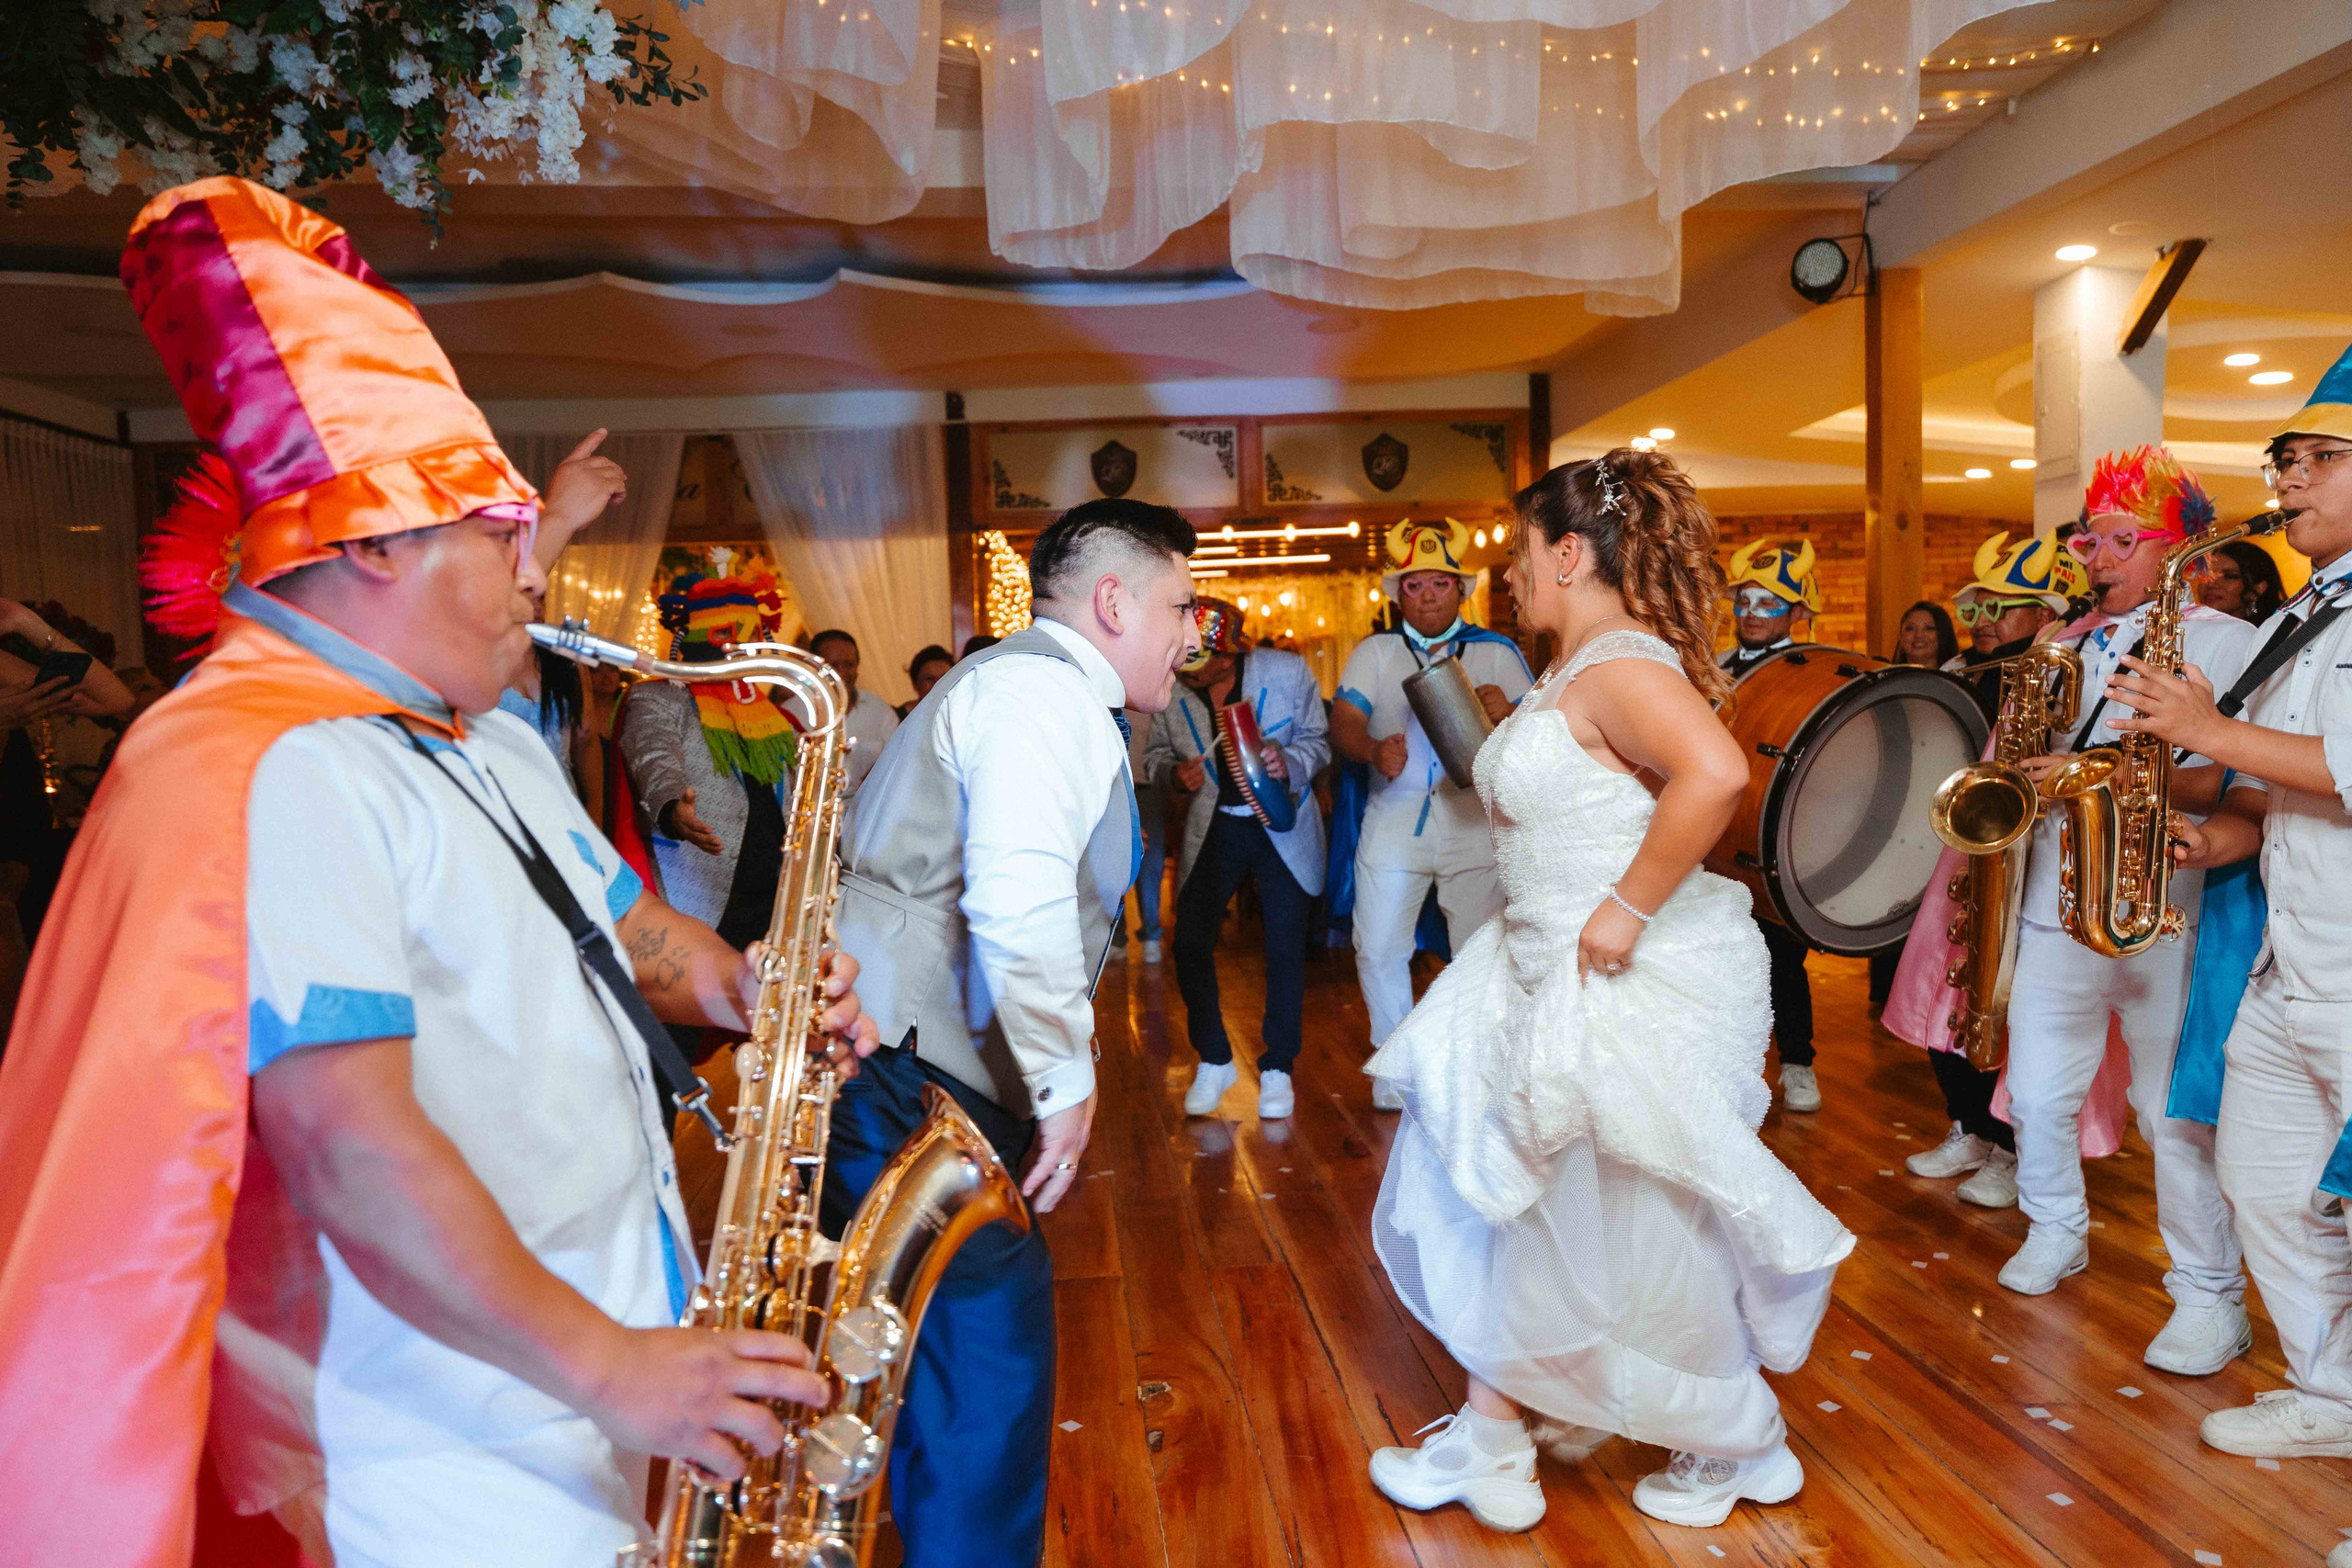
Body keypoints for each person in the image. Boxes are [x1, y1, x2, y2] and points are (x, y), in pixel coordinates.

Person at [0, 177, 877, 1568]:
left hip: (586, 1358)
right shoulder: (271, 766)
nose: (534, 570)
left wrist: (744, 980)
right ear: (373, 542)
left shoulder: (474, 738)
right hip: (431, 1443)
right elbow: (349, 1146)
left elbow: (626, 929)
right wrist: (614, 1364)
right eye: (495, 530)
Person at [1365, 451, 1853, 1534]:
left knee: (1628, 1218)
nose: (1511, 574)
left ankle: (1735, 1436)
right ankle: (1493, 1440)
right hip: (1544, 961)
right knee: (1525, 1195)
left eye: (1521, 553)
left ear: (1571, 552)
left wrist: (1626, 907)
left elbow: (1717, 773)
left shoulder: (1622, 661)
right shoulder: (1575, 666)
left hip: (1621, 969)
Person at [830, 497, 1200, 1567]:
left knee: (940, 1353)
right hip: (898, 1069)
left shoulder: (1024, 682)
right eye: (1180, 604)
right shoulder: (1042, 693)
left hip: (900, 1061)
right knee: (983, 1354)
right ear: (1115, 601)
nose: (1192, 632)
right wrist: (1066, 1081)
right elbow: (1017, 899)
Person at [2104, 350, 2352, 1503]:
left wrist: (2201, 721)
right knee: (2262, 1176)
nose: (2288, 481)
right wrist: (2221, 836)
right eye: (2285, 461)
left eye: (2318, 459)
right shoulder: (2311, 607)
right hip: (2283, 952)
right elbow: (2283, 788)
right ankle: (2328, 1389)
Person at [1983, 448, 2257, 1382]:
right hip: (2056, 899)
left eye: (2118, 540)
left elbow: (2227, 774)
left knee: (2165, 1112)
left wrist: (2087, 774)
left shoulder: (2226, 642)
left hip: (2165, 906)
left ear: (2176, 548)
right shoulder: (2071, 639)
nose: (2094, 556)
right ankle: (2053, 1225)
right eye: (2087, 539)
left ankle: (2207, 1293)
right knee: (2040, 1087)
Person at [1883, 532, 2092, 1212]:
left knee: (2010, 1013)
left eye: (2007, 606)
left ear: (2046, 614)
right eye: (1983, 606)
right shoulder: (1982, 671)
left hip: (2036, 867)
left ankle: (2008, 1148)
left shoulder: (2061, 666)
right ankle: (1970, 1128)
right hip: (1972, 858)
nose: (1988, 620)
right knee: (1950, 1000)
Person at [1331, 518, 1532, 1111]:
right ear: (1398, 595)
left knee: (1479, 949)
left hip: (1474, 820)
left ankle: (1476, 1067)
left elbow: (1544, 733)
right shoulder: (1376, 652)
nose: (1425, 598)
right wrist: (1371, 749)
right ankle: (1397, 1066)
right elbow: (1344, 718)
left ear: (1461, 590)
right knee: (1377, 945)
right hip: (1394, 817)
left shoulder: (1497, 653)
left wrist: (1508, 712)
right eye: (1413, 587)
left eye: (1438, 585)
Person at [1147, 596, 1330, 1120]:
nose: (1189, 672)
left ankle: (1278, 1068)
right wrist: (1170, 775)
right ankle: (1214, 1058)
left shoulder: (1287, 671)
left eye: (1201, 664)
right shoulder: (1168, 684)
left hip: (1283, 827)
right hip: (1215, 827)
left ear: (1229, 656)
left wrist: (1289, 760)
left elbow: (1318, 742)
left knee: (1284, 948)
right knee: (1190, 941)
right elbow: (1157, 754)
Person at [619, 565, 802, 948]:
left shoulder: (777, 717)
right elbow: (654, 758)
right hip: (700, 899)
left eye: (751, 636)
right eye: (727, 635)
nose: (740, 649)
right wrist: (672, 808)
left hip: (780, 901)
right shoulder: (657, 697)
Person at [1716, 540, 1826, 1111]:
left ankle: (1797, 1062)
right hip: (1716, 836)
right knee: (1722, 953)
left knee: (1782, 956)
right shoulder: (1710, 672)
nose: (1753, 614)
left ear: (1798, 613)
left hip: (1780, 832)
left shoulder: (1818, 673)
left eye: (1769, 604)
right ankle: (1730, 1067)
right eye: (1745, 602)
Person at [1951, 531, 2078, 725]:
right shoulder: (1956, 667)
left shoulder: (2062, 678)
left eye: (1996, 609)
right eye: (1974, 610)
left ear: (2043, 616)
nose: (1978, 623)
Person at [808, 628, 900, 794]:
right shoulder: (792, 713)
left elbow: (899, 767)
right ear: (813, 666)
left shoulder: (881, 712)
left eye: (849, 665)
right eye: (833, 666)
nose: (841, 672)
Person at [2199, 537, 2287, 624]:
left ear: (2258, 588)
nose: (2211, 583)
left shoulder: (2276, 632)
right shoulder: (2188, 628)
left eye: (2230, 576)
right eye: (2207, 575)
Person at [1893, 599, 1961, 671]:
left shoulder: (1957, 679)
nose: (1918, 635)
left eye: (1929, 628)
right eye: (1910, 628)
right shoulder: (1887, 679)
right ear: (1900, 636)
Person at [901, 643, 954, 717]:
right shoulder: (894, 720)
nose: (938, 684)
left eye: (944, 678)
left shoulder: (963, 715)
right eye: (930, 679)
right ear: (915, 684)